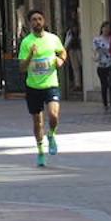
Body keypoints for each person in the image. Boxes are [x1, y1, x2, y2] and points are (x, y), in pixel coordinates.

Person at [18, 9, 67, 168]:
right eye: (34, 19)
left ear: (44, 21)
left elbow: (62, 52)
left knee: (53, 115)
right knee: (38, 122)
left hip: (51, 84)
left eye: (39, 19)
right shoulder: (26, 42)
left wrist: (60, 60)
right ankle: (40, 151)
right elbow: (22, 68)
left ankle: (51, 135)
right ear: (29, 23)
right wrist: (31, 56)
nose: (37, 22)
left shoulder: (53, 39)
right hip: (33, 86)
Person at [93, 21, 111, 113]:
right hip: (101, 65)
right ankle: (105, 104)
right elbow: (95, 51)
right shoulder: (97, 40)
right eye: (105, 28)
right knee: (104, 85)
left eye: (108, 28)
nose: (106, 30)